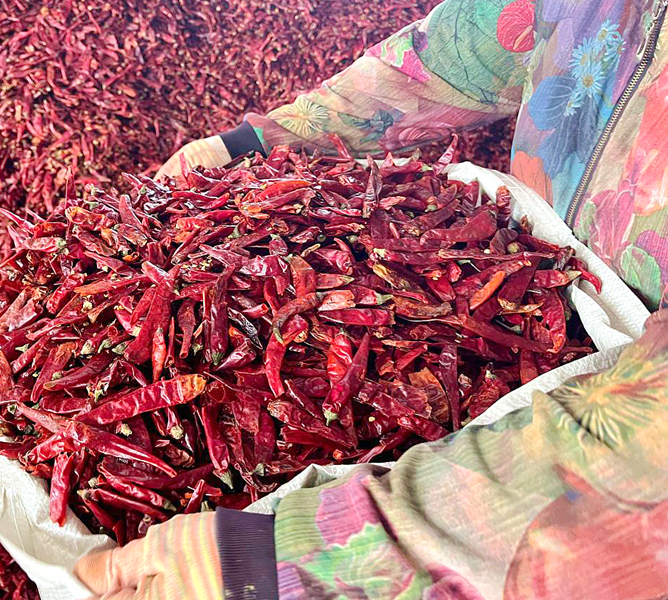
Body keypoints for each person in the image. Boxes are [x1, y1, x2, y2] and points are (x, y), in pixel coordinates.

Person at [74, 0, 668, 597]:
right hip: (545, 280)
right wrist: (256, 142)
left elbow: (641, 454)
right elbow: (468, 49)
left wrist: (300, 561)